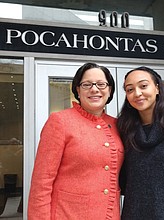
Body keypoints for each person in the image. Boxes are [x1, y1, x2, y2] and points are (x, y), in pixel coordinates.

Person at [28, 62, 124, 220]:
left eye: (101, 84)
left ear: (110, 90)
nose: (94, 89)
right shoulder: (60, 121)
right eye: (87, 84)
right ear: (78, 90)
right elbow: (42, 182)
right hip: (69, 214)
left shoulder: (117, 125)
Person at [117, 66, 164, 219]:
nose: (137, 93)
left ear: (157, 88)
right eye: (130, 90)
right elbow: (123, 181)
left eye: (143, 86)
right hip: (134, 214)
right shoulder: (124, 131)